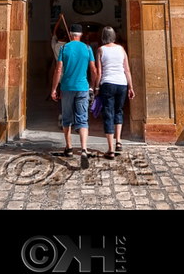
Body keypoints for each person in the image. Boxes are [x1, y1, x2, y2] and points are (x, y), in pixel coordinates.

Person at [50, 22, 98, 169]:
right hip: (82, 87)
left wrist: (54, 88)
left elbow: (58, 69)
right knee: (83, 119)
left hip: (67, 87)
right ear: (81, 34)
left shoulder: (64, 48)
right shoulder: (87, 48)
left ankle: (69, 148)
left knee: (67, 118)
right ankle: (83, 149)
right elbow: (93, 70)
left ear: (70, 34)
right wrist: (94, 86)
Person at [93, 26, 134, 160]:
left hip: (107, 83)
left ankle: (110, 149)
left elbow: (99, 72)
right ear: (114, 36)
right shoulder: (121, 49)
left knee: (108, 114)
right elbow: (127, 70)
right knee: (119, 111)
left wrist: (96, 87)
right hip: (122, 83)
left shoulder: (101, 50)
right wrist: (131, 87)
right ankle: (119, 142)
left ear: (103, 36)